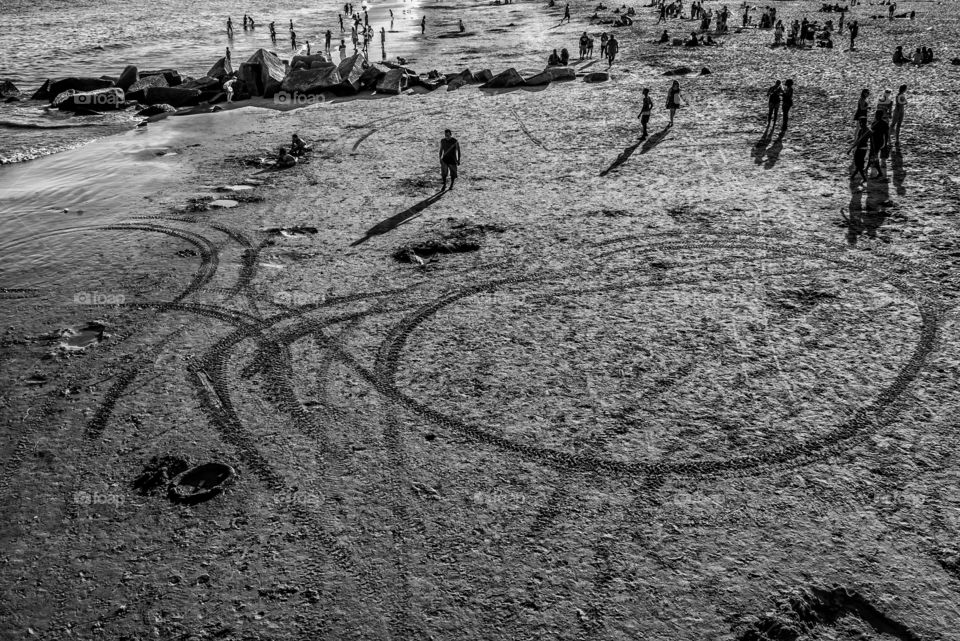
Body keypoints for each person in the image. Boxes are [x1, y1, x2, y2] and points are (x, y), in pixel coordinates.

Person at [848, 119, 870, 183]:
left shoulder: (861, 131)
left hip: (859, 149)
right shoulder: (869, 131)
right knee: (859, 163)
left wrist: (850, 148)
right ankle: (853, 176)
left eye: (860, 123)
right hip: (865, 149)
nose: (860, 125)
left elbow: (857, 141)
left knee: (857, 163)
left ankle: (863, 178)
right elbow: (872, 142)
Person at [868, 110, 888, 178]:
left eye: (877, 115)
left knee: (874, 156)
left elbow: (886, 135)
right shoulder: (876, 123)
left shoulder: (881, 124)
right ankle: (867, 168)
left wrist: (885, 144)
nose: (876, 116)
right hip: (875, 142)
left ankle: (879, 172)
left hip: (878, 142)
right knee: (872, 155)